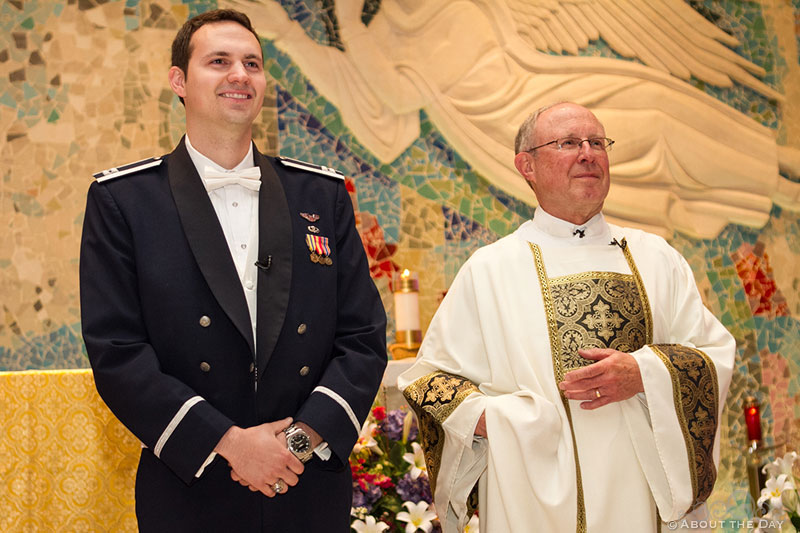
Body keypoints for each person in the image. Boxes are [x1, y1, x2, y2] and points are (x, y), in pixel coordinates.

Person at [79, 9, 386, 532]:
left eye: (252, 63)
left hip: (303, 482)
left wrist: (294, 444)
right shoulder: (123, 201)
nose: (239, 75)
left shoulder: (321, 195)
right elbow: (118, 353)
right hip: (191, 484)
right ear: (179, 80)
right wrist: (231, 444)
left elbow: (362, 337)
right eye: (218, 61)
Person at [398, 102, 735, 532]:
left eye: (598, 142)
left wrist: (645, 372)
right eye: (569, 143)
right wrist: (492, 422)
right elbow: (427, 380)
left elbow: (713, 353)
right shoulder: (490, 270)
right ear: (527, 165)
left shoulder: (656, 257)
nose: (588, 154)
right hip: (532, 500)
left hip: (648, 503)